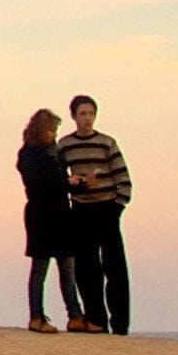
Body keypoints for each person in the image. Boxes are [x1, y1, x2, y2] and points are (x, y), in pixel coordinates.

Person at [57, 95, 132, 335]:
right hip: (81, 210)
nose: (87, 118)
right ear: (74, 116)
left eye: (90, 114)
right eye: (82, 114)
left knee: (115, 269)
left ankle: (120, 324)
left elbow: (124, 178)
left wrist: (117, 207)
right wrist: (75, 184)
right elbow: (59, 179)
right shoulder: (65, 145)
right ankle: (96, 320)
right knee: (87, 269)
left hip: (107, 209)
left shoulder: (106, 143)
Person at [15, 109, 75, 334]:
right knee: (40, 266)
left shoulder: (54, 152)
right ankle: (37, 316)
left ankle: (75, 315)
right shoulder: (30, 154)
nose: (54, 134)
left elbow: (58, 182)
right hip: (41, 213)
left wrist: (73, 183)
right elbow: (39, 183)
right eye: (51, 129)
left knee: (67, 264)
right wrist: (66, 182)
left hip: (60, 212)